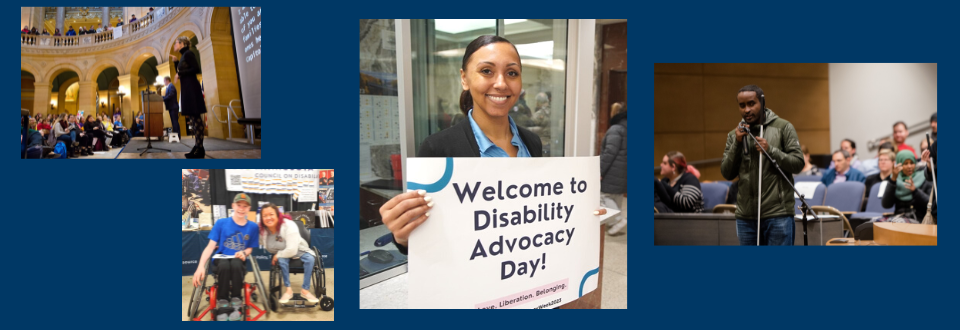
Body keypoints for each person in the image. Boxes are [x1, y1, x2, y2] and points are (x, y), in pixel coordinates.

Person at [379, 35, 606, 255]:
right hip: (475, 282)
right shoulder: (438, 148)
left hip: (528, 271)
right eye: (486, 71)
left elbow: (537, 212)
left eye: (512, 73)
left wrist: (577, 213)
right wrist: (403, 237)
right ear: (464, 78)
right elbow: (428, 236)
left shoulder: (532, 142)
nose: (501, 83)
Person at [720, 85, 804, 246]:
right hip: (746, 217)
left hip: (778, 214)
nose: (746, 110)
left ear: (763, 102)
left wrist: (771, 150)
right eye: (742, 105)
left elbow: (798, 164)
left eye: (751, 104)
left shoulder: (783, 127)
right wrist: (737, 144)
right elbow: (727, 173)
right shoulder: (734, 135)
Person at [193, 193, 259, 322]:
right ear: (233, 206)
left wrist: (245, 253)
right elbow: (210, 247)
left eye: (245, 206)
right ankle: (222, 302)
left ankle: (236, 302)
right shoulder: (221, 223)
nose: (241, 208)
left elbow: (250, 248)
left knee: (235, 264)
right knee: (224, 265)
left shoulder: (253, 227)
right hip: (221, 257)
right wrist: (200, 266)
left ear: (249, 208)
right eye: (239, 205)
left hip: (238, 259)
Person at [259, 204, 321, 304]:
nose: (268, 218)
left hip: (297, 248)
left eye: (271, 214)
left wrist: (277, 255)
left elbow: (292, 250)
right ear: (261, 218)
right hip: (282, 252)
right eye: (264, 215)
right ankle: (288, 290)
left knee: (310, 259)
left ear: (278, 215)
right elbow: (257, 241)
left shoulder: (288, 225)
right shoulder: (263, 231)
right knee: (282, 260)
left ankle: (305, 290)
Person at [171, 36, 208, 158]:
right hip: (187, 89)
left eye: (176, 43)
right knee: (193, 118)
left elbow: (196, 68)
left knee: (196, 118)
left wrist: (180, 73)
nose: (175, 45)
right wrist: (176, 62)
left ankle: (200, 148)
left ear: (181, 44)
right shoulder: (183, 56)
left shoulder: (188, 53)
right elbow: (183, 69)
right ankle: (197, 146)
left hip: (192, 89)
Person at [880, 151, 932, 222]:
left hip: (917, 219)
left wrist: (915, 191)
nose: (909, 166)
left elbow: (930, 204)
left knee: (898, 223)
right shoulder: (896, 179)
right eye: (905, 163)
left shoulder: (924, 177)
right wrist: (893, 180)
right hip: (898, 218)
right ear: (899, 165)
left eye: (912, 163)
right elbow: (886, 205)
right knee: (874, 222)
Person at [601, 105, 628, 234]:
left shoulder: (615, 129)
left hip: (613, 169)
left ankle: (617, 220)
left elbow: (609, 152)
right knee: (616, 196)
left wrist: (600, 170)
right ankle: (614, 225)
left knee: (603, 196)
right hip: (624, 169)